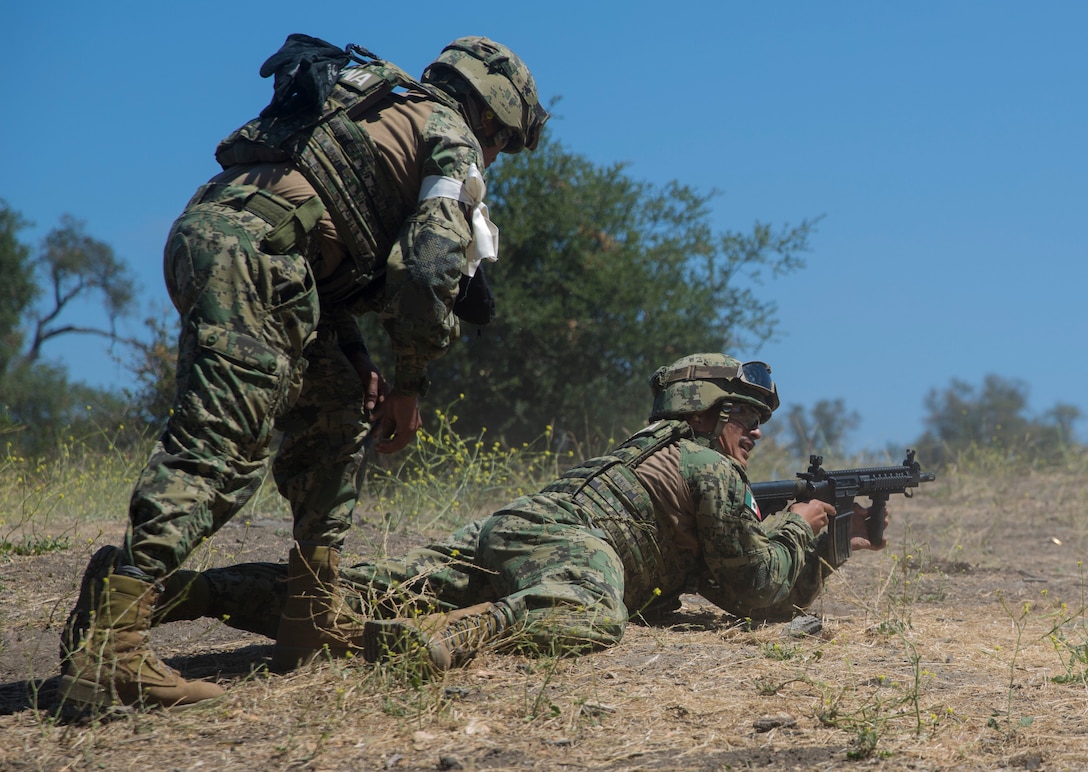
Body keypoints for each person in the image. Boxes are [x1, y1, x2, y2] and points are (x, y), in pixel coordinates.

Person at [59, 34, 549, 710]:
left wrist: (359, 360)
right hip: (256, 257)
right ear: (489, 115)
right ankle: (109, 647)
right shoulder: (452, 138)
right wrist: (409, 384)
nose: (495, 156)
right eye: (503, 143)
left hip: (240, 246)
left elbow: (322, 233)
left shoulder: (383, 109)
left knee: (340, 405)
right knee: (224, 445)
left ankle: (312, 615)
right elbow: (428, 269)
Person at [99, 353, 886, 684]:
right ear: (708, 412)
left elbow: (737, 588)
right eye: (747, 415)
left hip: (516, 530)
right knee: (591, 609)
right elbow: (753, 591)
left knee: (364, 591)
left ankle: (173, 594)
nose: (757, 433)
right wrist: (806, 520)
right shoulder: (709, 467)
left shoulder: (663, 459)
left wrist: (835, 536)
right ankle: (460, 636)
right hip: (572, 548)